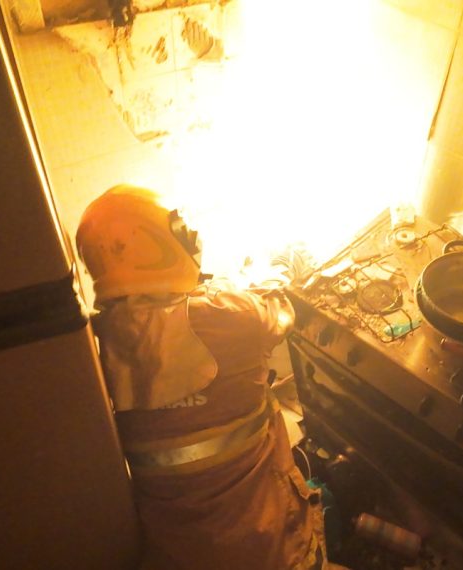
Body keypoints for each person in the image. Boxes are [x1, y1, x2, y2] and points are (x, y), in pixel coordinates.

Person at [75, 184, 327, 570]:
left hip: (176, 551)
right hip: (268, 545)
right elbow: (275, 310)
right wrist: (279, 265)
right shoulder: (229, 315)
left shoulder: (96, 340)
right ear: (162, 241)